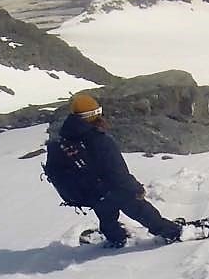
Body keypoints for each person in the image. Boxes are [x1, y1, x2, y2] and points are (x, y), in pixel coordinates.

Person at [54, 92, 196, 248]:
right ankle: (172, 232)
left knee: (107, 216)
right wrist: (136, 188)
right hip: (113, 189)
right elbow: (118, 173)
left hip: (91, 193)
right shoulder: (100, 140)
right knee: (141, 210)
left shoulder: (66, 137)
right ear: (93, 115)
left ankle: (116, 238)